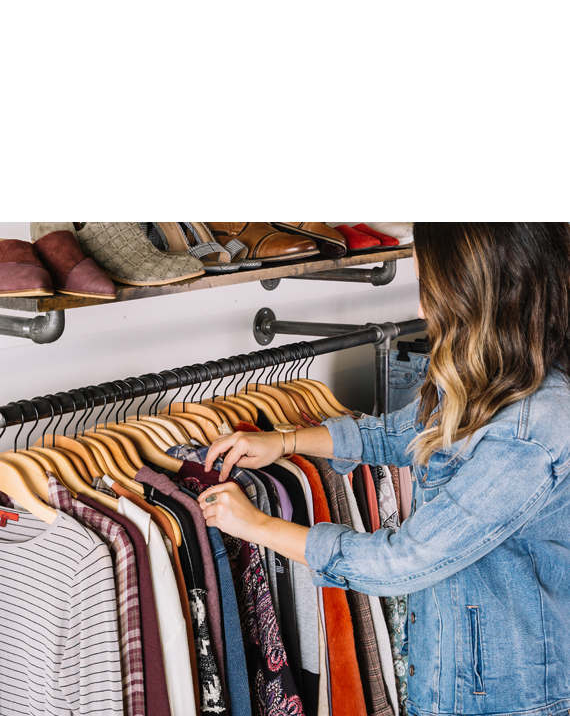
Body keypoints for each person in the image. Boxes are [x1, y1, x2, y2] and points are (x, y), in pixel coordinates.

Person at [197, 223, 570, 716]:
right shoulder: (500, 378)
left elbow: (400, 563)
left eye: (431, 290)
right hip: (447, 678)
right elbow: (403, 433)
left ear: (488, 293)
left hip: (509, 700)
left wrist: (257, 525)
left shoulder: (532, 434)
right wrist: (285, 440)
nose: (421, 309)